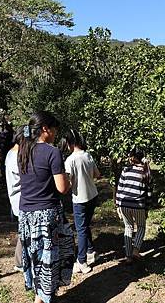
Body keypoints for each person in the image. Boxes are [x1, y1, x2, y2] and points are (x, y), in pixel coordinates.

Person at [18, 111, 74, 303]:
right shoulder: (52, 152)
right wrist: (71, 182)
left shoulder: (23, 150)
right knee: (50, 258)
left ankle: (39, 294)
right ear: (45, 129)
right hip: (46, 215)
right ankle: (42, 298)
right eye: (55, 129)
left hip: (26, 214)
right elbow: (62, 187)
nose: (56, 133)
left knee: (35, 256)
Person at [64, 129, 101, 274]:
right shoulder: (88, 155)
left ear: (69, 143)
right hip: (93, 195)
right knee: (85, 226)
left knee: (81, 229)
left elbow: (67, 185)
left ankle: (82, 261)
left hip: (80, 199)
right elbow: (97, 174)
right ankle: (91, 251)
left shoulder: (70, 160)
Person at [114, 148, 151, 264]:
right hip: (139, 204)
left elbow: (119, 188)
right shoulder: (146, 172)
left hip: (124, 203)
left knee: (128, 227)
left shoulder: (126, 170)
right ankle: (136, 250)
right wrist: (147, 208)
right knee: (141, 227)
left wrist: (118, 205)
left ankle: (128, 257)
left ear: (132, 157)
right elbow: (149, 193)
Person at [5, 126, 24, 271]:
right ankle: (19, 262)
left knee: (24, 230)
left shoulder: (12, 153)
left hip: (18, 198)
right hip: (20, 199)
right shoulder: (16, 156)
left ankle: (21, 260)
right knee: (24, 231)